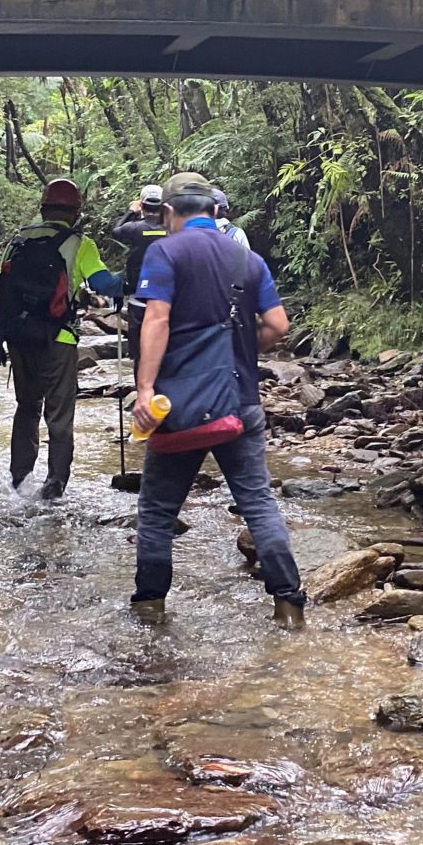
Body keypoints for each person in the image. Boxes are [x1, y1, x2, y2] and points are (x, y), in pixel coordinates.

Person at [130, 172, 305, 628]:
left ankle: (150, 609)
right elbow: (278, 325)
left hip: (179, 407)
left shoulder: (164, 251)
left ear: (168, 212)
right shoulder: (247, 259)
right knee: (257, 502)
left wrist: (145, 389)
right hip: (239, 402)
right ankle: (289, 604)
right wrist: (242, 351)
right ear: (214, 211)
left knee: (157, 510)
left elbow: (157, 320)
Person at [0, 178, 122, 498]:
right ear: (75, 212)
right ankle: (54, 486)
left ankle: (18, 481)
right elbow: (104, 284)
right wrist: (128, 280)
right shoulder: (79, 243)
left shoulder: (17, 241)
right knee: (59, 415)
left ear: (43, 208)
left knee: (27, 408)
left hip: (18, 337)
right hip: (59, 338)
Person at [109, 184, 171, 362]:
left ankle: (141, 384)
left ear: (142, 206)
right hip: (166, 297)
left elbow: (116, 230)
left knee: (140, 351)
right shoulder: (171, 229)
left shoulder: (133, 228)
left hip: (138, 296)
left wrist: (131, 211)